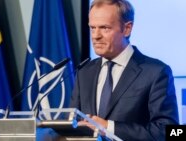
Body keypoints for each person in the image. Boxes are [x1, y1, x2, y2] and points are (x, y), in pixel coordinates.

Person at [70, 0, 179, 140]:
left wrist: (108, 127)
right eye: (92, 28)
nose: (95, 36)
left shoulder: (156, 72)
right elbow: (73, 123)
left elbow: (168, 131)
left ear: (127, 29)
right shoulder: (84, 72)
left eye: (104, 28)